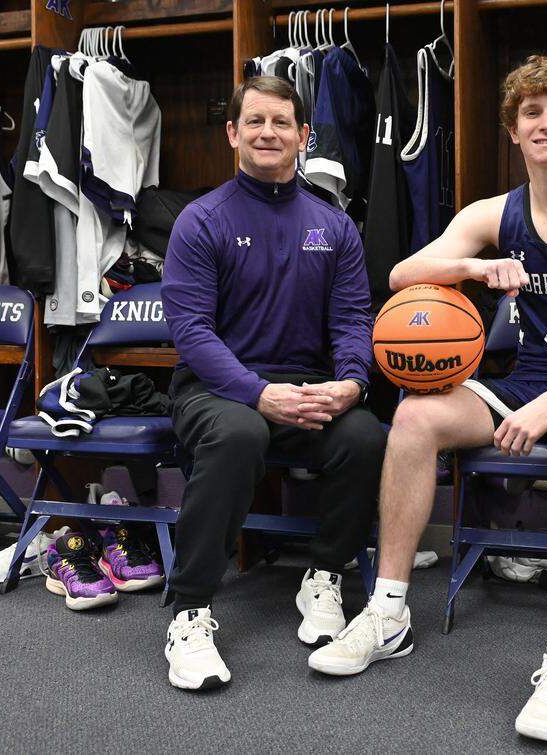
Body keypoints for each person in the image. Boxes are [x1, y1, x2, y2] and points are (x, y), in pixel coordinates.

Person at [307, 56, 547, 743]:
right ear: (513, 130)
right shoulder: (498, 213)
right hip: (525, 382)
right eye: (532, 112)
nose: (546, 123)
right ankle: (388, 611)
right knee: (415, 413)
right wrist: (473, 265)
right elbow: (402, 273)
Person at [161, 76, 385, 691]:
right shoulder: (201, 220)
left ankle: (325, 575)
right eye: (255, 122)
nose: (268, 133)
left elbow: (352, 319)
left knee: (364, 435)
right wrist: (257, 393)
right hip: (215, 390)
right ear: (232, 133)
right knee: (240, 434)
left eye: (281, 122)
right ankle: (188, 611)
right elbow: (191, 332)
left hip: (306, 387)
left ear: (304, 136)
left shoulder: (334, 225)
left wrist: (352, 383)